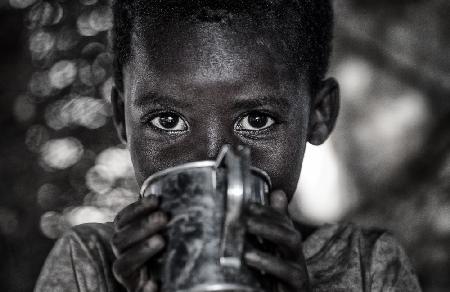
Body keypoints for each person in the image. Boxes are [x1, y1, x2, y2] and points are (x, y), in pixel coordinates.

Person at [35, 1, 422, 291]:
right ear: (122, 117)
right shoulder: (87, 264)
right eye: (167, 122)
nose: (214, 166)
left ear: (319, 114)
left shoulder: (370, 265)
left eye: (257, 120)